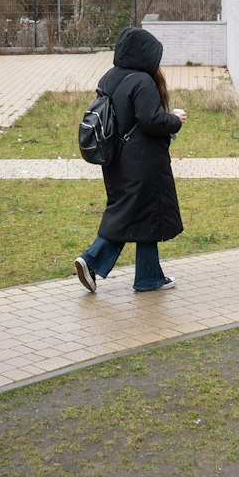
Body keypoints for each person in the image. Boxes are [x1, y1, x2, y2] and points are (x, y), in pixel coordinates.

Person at [74, 26, 185, 294]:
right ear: (144, 55)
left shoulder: (110, 77)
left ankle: (149, 277)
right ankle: (91, 260)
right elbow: (151, 120)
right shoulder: (143, 82)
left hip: (116, 161)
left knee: (141, 216)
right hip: (143, 163)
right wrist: (175, 120)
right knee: (134, 214)